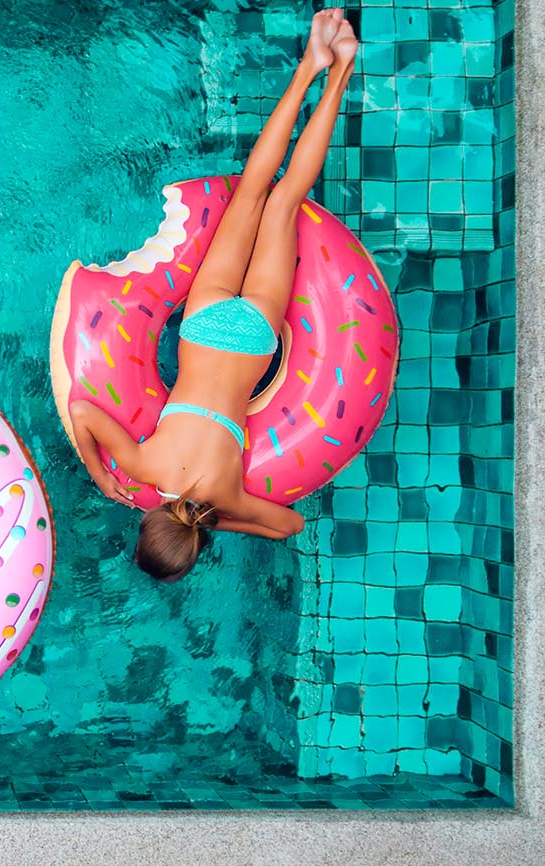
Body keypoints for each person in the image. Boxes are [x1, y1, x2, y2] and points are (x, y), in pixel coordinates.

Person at [65, 9, 359, 582]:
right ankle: (309, 65)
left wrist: (220, 521)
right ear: (148, 521)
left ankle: (342, 69)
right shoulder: (143, 465)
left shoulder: (226, 495)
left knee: (285, 202)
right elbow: (81, 411)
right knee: (253, 191)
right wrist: (101, 474)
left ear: (195, 542)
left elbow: (289, 526)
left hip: (253, 339)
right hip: (202, 325)